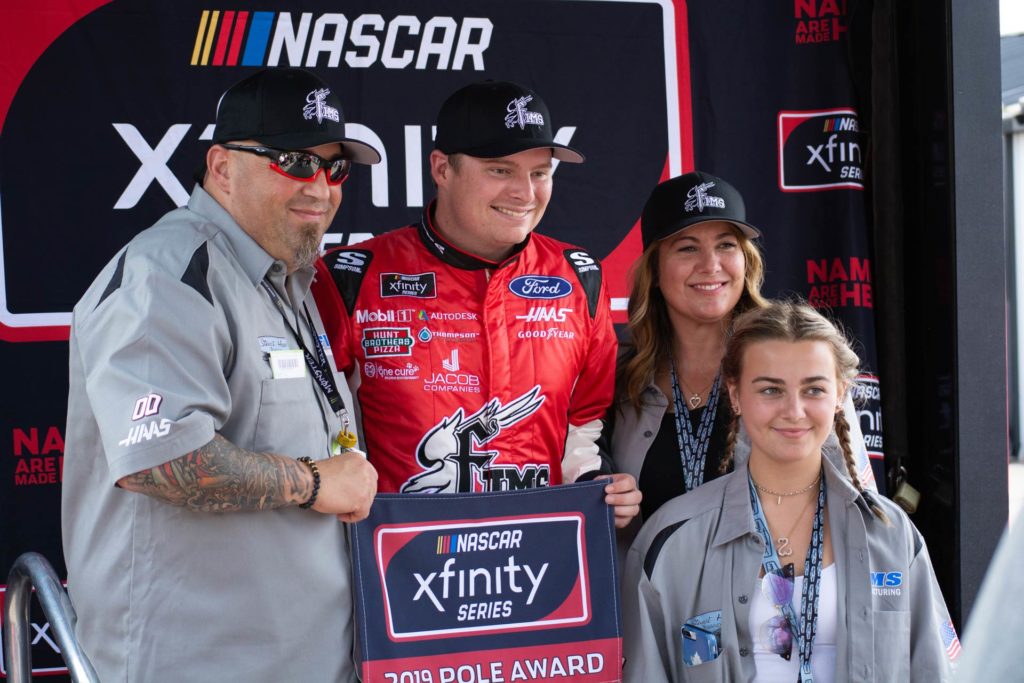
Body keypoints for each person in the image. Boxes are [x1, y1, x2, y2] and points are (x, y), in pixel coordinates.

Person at [62, 67, 379, 683]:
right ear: (221, 166)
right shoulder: (171, 271)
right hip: (200, 662)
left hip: (306, 657)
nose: (319, 185)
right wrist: (315, 482)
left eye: (333, 167)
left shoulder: (290, 277)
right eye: (292, 159)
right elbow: (161, 460)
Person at [312, 80, 640, 526]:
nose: (525, 193)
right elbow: (320, 431)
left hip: (536, 560)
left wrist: (598, 488)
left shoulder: (580, 276)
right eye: (501, 170)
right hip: (401, 562)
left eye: (540, 172)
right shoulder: (352, 275)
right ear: (442, 169)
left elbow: (584, 424)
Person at [622, 301, 957, 682]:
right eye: (770, 390)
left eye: (813, 389)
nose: (794, 410)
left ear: (839, 394)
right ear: (735, 395)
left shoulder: (890, 534)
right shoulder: (673, 538)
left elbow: (936, 670)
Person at [605, 172, 873, 538]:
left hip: (770, 592)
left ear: (746, 261)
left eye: (726, 245)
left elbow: (858, 507)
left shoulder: (792, 361)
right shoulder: (621, 377)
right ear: (653, 269)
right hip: (651, 592)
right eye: (687, 247)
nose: (710, 265)